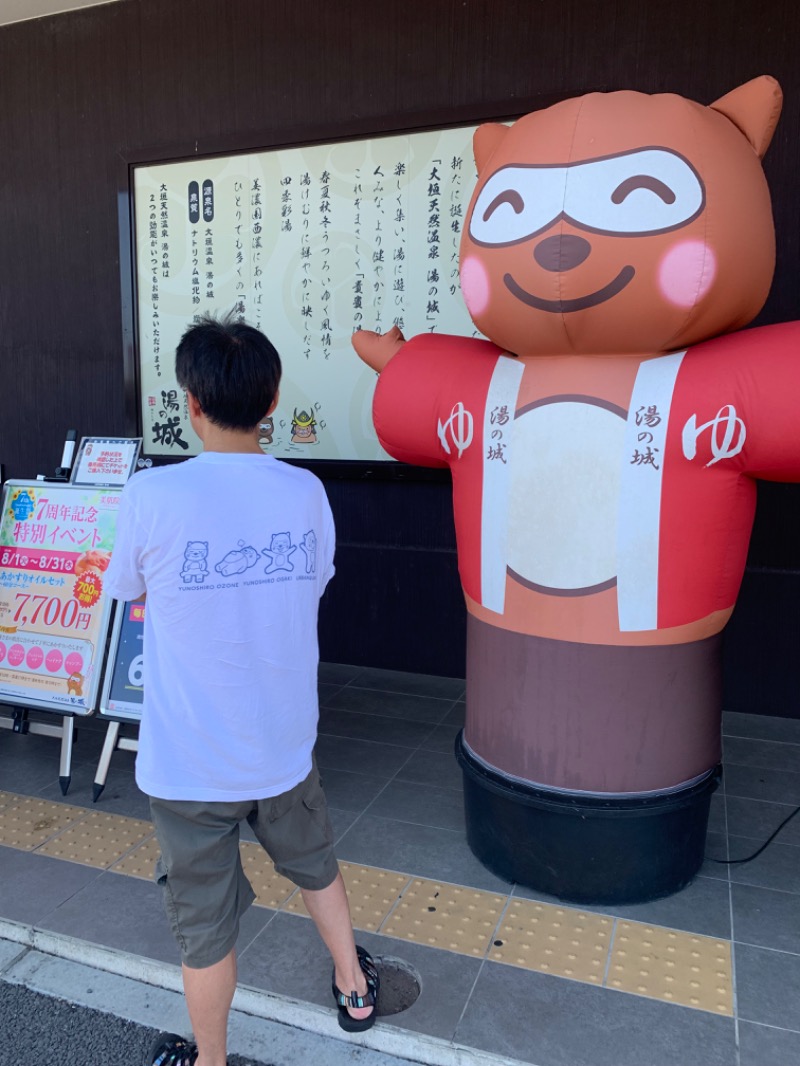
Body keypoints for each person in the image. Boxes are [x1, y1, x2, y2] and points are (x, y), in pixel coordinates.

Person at [105, 312, 378, 1066]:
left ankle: (212, 1061)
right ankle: (354, 986)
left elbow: (125, 589)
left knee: (204, 930)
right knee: (316, 863)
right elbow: (315, 585)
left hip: (187, 764)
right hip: (283, 747)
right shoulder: (306, 492)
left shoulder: (151, 497)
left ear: (191, 403)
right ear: (272, 399)